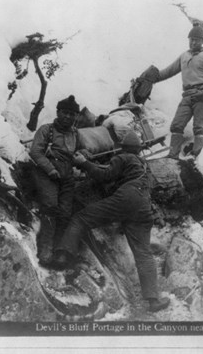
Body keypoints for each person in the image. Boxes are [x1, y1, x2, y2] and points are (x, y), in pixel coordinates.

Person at [50, 131, 170, 312]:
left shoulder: (123, 158)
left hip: (126, 197)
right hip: (143, 207)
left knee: (80, 218)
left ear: (122, 148)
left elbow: (104, 175)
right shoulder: (144, 165)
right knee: (143, 254)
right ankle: (153, 301)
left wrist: (84, 163)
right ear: (138, 149)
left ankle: (62, 255)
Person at [29, 95, 81, 266]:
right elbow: (35, 152)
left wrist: (83, 157)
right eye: (65, 113)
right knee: (51, 207)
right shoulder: (46, 130)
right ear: (58, 112)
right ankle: (45, 248)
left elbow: (83, 151)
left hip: (67, 174)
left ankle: (60, 251)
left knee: (66, 212)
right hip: (46, 172)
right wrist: (50, 169)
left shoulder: (75, 134)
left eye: (72, 114)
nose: (68, 117)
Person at [156, 22, 203, 158]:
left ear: (202, 41)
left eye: (196, 40)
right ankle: (173, 155)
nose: (193, 42)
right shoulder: (184, 56)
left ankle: (196, 156)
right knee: (176, 125)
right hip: (187, 95)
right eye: (191, 39)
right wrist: (153, 77)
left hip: (201, 95)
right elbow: (168, 71)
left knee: (198, 127)